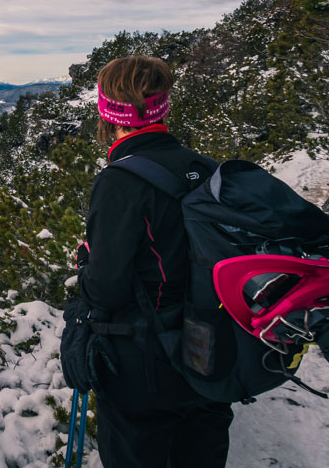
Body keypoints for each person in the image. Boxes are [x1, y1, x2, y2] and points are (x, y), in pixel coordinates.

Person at [77, 55, 233, 468]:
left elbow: (106, 287)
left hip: (144, 363)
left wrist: (84, 267)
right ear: (162, 105)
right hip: (209, 352)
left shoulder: (120, 182)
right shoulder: (205, 168)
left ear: (108, 112)